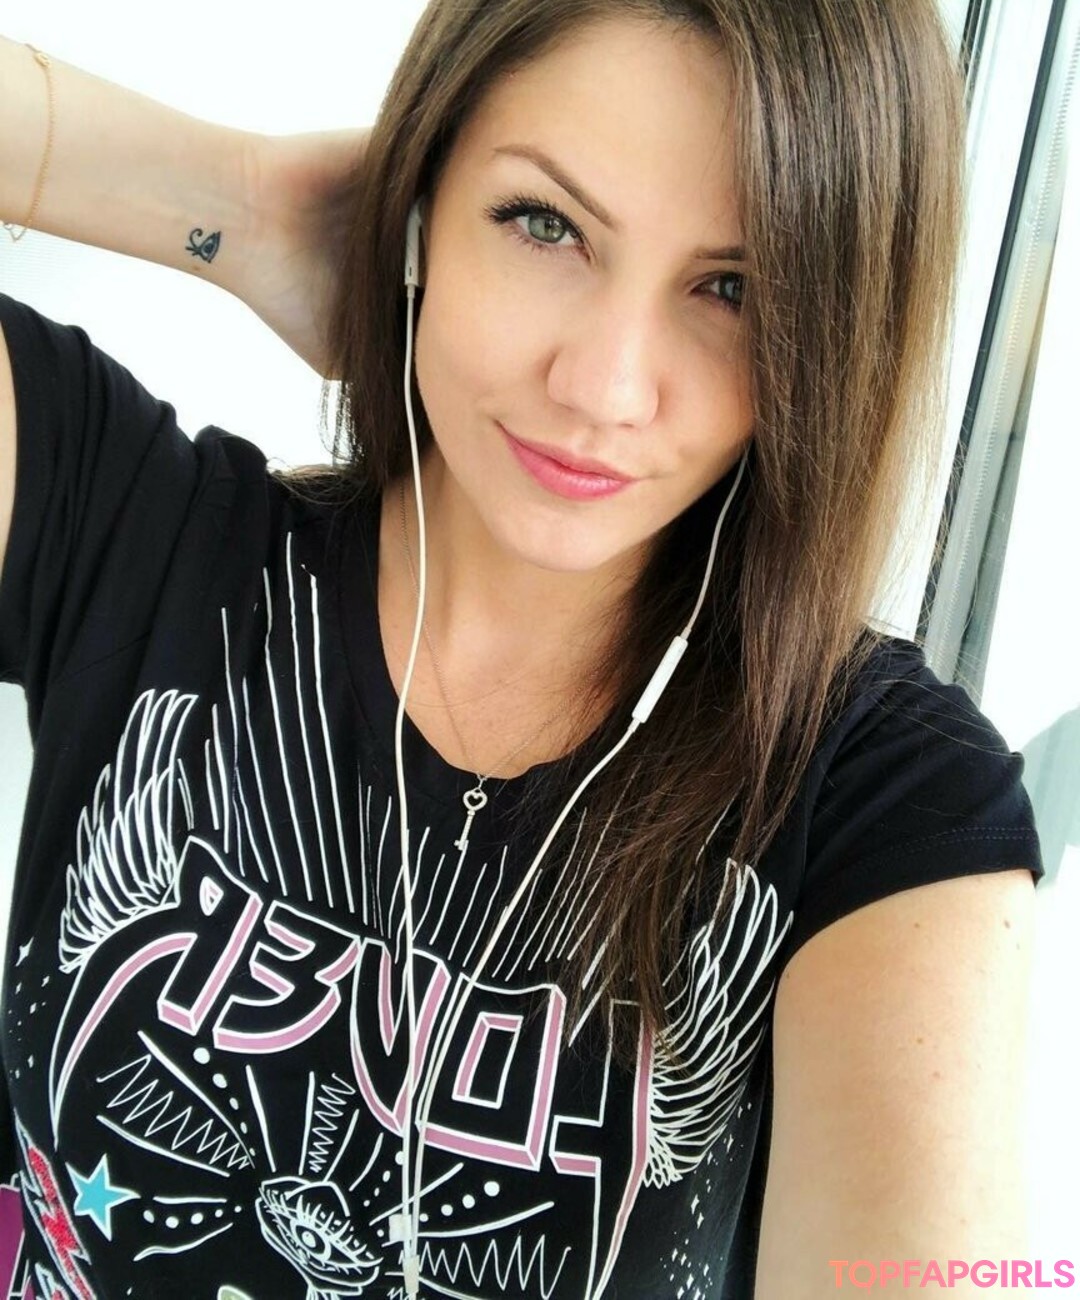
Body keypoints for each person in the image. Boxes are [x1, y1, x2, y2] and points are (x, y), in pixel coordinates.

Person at [0, 2, 1045, 1297]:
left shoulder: (888, 800)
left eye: (734, 288)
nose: (605, 387)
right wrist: (244, 203)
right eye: (545, 224)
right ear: (426, 195)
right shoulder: (133, 528)